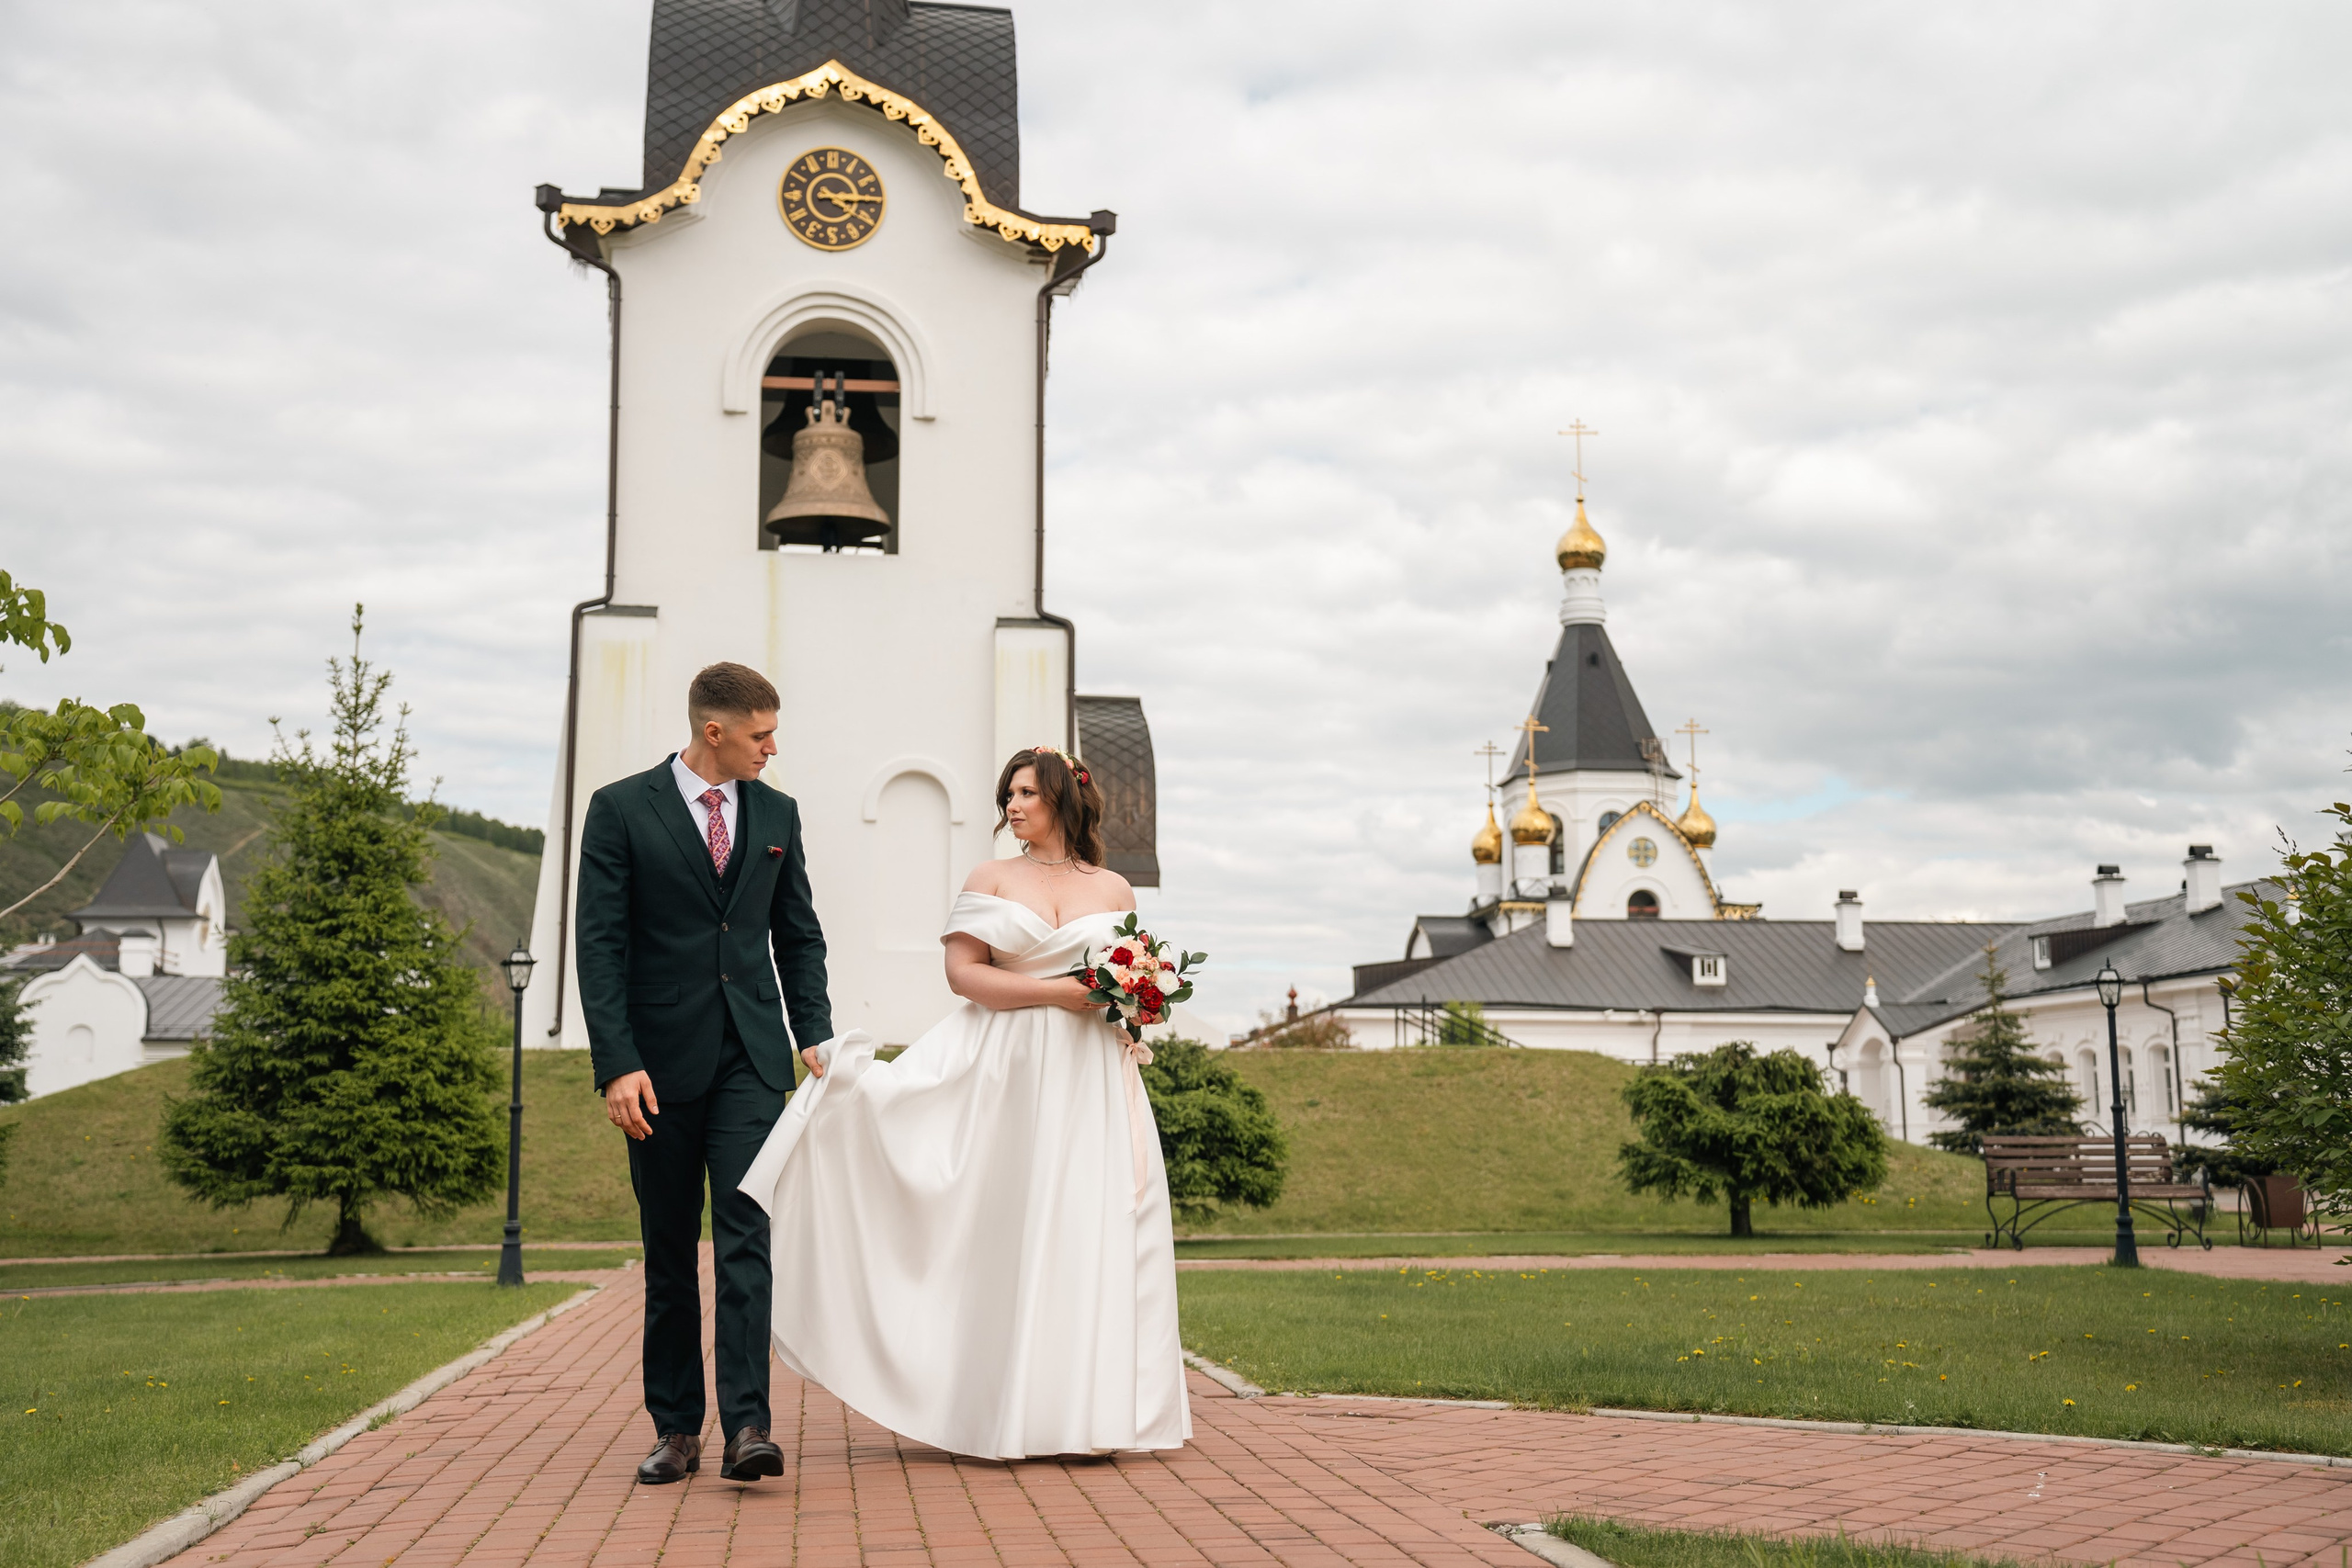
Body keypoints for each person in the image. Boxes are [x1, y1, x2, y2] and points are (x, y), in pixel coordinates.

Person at [739, 745, 1191, 1460]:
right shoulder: (991, 877)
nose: (1012, 805)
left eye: (1027, 792)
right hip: (1004, 1071)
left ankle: (1083, 1413)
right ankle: (999, 1406)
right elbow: (963, 974)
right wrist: (1059, 992)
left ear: (1064, 798)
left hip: (1091, 1078)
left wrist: (1140, 1002)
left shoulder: (1114, 889)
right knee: (1006, 1228)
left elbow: (1129, 986)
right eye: (1008, 793)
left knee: (1084, 1228)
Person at [575, 661, 832, 1486]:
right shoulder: (620, 809)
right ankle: (677, 1429)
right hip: (656, 1065)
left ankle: (748, 1425)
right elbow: (599, 946)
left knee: (747, 1236)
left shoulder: (778, 812)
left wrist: (813, 1032)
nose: (772, 747)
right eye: (762, 734)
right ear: (713, 731)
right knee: (668, 1247)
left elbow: (797, 933)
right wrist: (617, 1063)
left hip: (751, 1058)